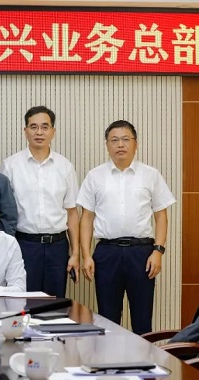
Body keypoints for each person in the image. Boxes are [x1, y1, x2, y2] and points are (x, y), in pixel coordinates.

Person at [77, 120, 175, 335]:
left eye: (125, 139)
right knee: (108, 318)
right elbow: (86, 218)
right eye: (114, 140)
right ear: (107, 145)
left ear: (135, 143)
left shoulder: (151, 175)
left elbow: (161, 216)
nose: (120, 144)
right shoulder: (95, 176)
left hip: (142, 253)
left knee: (142, 319)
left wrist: (158, 251)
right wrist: (86, 255)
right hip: (106, 252)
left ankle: (144, 357)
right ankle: (109, 357)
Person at [2, 106, 80, 297]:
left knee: (55, 302)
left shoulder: (65, 166)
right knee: (24, 302)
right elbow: (5, 212)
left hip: (58, 247)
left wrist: (75, 253)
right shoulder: (11, 165)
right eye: (33, 127)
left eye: (45, 127)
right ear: (25, 131)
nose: (39, 132)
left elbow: (72, 213)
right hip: (24, 245)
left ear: (53, 131)